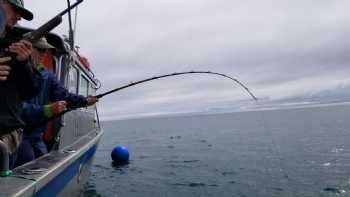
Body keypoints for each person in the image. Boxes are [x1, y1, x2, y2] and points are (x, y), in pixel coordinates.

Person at [15, 37, 98, 167]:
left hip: (37, 136)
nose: (44, 54)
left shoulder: (47, 75)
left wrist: (84, 100)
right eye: (41, 49)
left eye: (46, 50)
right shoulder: (15, 72)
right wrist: (46, 110)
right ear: (29, 49)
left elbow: (63, 95)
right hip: (18, 135)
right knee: (27, 165)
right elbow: (15, 107)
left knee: (46, 163)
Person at [0, 0, 42, 168]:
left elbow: (31, 91)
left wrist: (24, 63)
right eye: (14, 9)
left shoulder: (16, 43)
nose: (18, 17)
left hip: (9, 137)